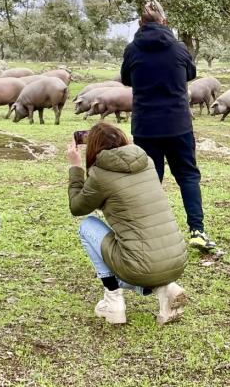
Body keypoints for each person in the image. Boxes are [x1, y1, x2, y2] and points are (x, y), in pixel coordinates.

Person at [66, 122, 188, 325]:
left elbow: (77, 208)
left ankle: (113, 303)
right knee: (136, 243)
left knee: (88, 226)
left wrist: (75, 168)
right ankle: (164, 288)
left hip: (140, 266)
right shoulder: (147, 161)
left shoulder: (101, 174)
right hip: (177, 261)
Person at [120, 0, 216, 251]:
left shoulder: (132, 49)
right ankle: (197, 230)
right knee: (187, 176)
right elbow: (190, 74)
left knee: (151, 178)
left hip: (145, 126)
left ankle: (150, 235)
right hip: (178, 124)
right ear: (164, 21)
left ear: (140, 23)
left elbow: (126, 79)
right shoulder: (179, 48)